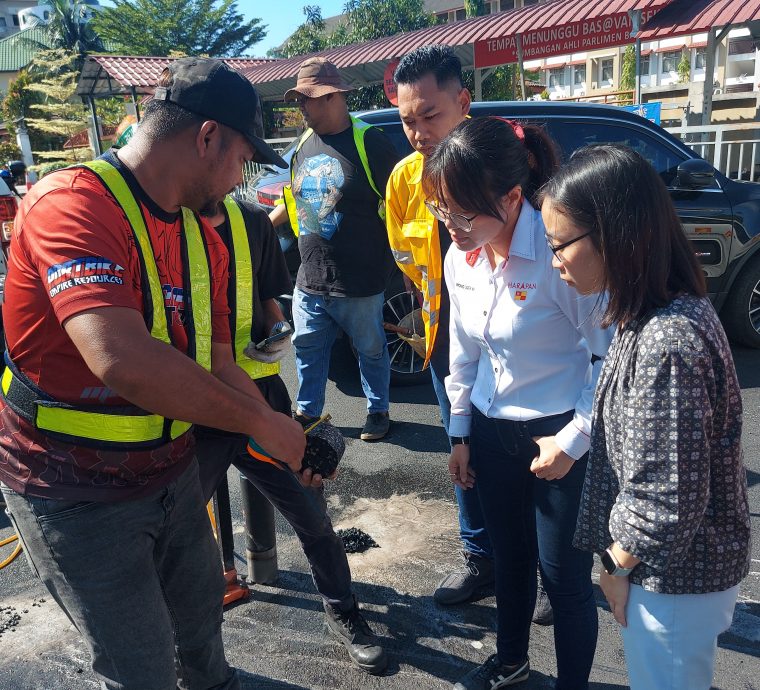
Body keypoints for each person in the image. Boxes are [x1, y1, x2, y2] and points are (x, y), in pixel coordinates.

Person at [0, 58, 306, 689]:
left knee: (201, 632)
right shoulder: (71, 206)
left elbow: (220, 361)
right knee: (139, 668)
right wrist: (257, 423)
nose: (241, 179)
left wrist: (278, 426)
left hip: (168, 470)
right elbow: (122, 359)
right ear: (208, 137)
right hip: (70, 487)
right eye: (244, 158)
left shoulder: (203, 234)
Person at [541, 144, 751, 690]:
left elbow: (665, 499)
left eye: (561, 244)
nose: (554, 260)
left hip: (675, 580)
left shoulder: (666, 342)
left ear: (614, 235)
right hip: (672, 572)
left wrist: (615, 567)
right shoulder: (656, 310)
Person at [422, 118, 611, 690]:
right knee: (508, 561)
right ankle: (510, 662)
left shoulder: (561, 255)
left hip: (559, 435)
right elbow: (464, 349)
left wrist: (573, 442)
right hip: (490, 430)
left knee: (564, 579)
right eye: (442, 210)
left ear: (510, 197)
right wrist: (458, 431)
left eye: (463, 212)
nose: (451, 226)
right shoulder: (463, 257)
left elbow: (608, 362)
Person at [196, 195, 387, 674]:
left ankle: (344, 610)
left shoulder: (251, 222)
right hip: (192, 407)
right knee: (176, 530)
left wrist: (278, 330)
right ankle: (190, 650)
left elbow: (269, 301)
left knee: (311, 512)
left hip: (260, 398)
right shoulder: (161, 222)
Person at [386, 44, 498, 607]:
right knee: (464, 452)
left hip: (511, 342)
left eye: (430, 115)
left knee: (526, 452)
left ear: (463, 103)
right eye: (409, 120)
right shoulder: (404, 180)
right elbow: (406, 262)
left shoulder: (502, 163)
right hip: (444, 342)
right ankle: (480, 560)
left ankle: (548, 566)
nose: (419, 131)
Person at [270, 57, 399, 441]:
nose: (301, 108)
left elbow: (396, 206)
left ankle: (378, 410)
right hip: (310, 278)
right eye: (299, 100)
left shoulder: (369, 142)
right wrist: (265, 223)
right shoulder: (303, 146)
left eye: (306, 100)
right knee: (307, 349)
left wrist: (405, 264)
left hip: (359, 281)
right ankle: (308, 414)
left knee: (371, 351)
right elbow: (293, 199)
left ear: (331, 97)